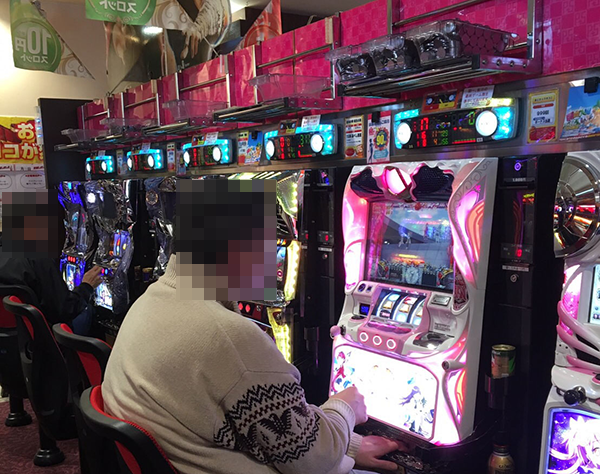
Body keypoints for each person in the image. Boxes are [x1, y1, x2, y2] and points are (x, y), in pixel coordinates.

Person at [102, 180, 406, 474]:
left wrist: (347, 445)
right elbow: (313, 463)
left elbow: (264, 429)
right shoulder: (227, 336)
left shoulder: (149, 302)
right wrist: (345, 408)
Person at [0, 190, 103, 333]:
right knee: (88, 310)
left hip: (13, 334)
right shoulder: (38, 258)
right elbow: (64, 309)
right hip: (41, 334)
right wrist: (87, 286)